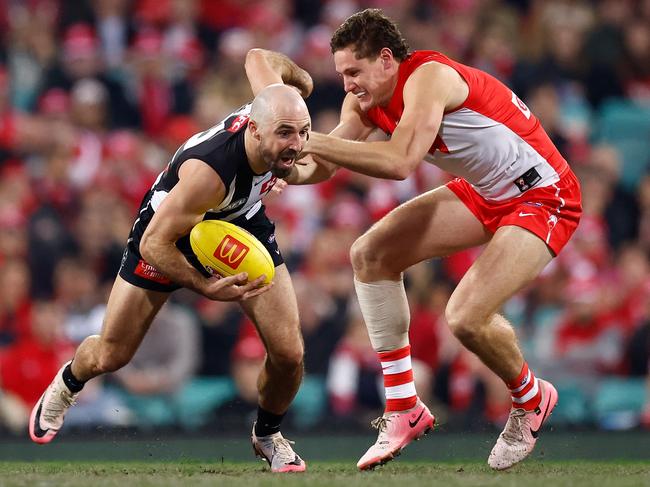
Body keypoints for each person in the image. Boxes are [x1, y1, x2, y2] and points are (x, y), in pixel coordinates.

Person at [300, 9, 582, 471]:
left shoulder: (429, 77)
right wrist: (275, 158)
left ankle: (530, 398)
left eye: (354, 71)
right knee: (369, 255)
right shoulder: (364, 100)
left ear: (386, 60)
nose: (347, 83)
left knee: (465, 317)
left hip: (544, 194)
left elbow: (399, 161)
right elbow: (320, 167)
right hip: (486, 191)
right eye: (341, 74)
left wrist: (306, 138)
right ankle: (404, 407)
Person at [29, 48, 321, 473]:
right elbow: (153, 244)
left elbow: (257, 56)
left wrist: (299, 80)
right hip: (170, 233)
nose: (295, 145)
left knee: (290, 353)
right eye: (285, 134)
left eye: (303, 132)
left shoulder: (273, 105)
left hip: (239, 222)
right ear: (254, 130)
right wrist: (204, 287)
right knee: (112, 354)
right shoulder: (211, 172)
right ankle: (69, 382)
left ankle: (268, 433)